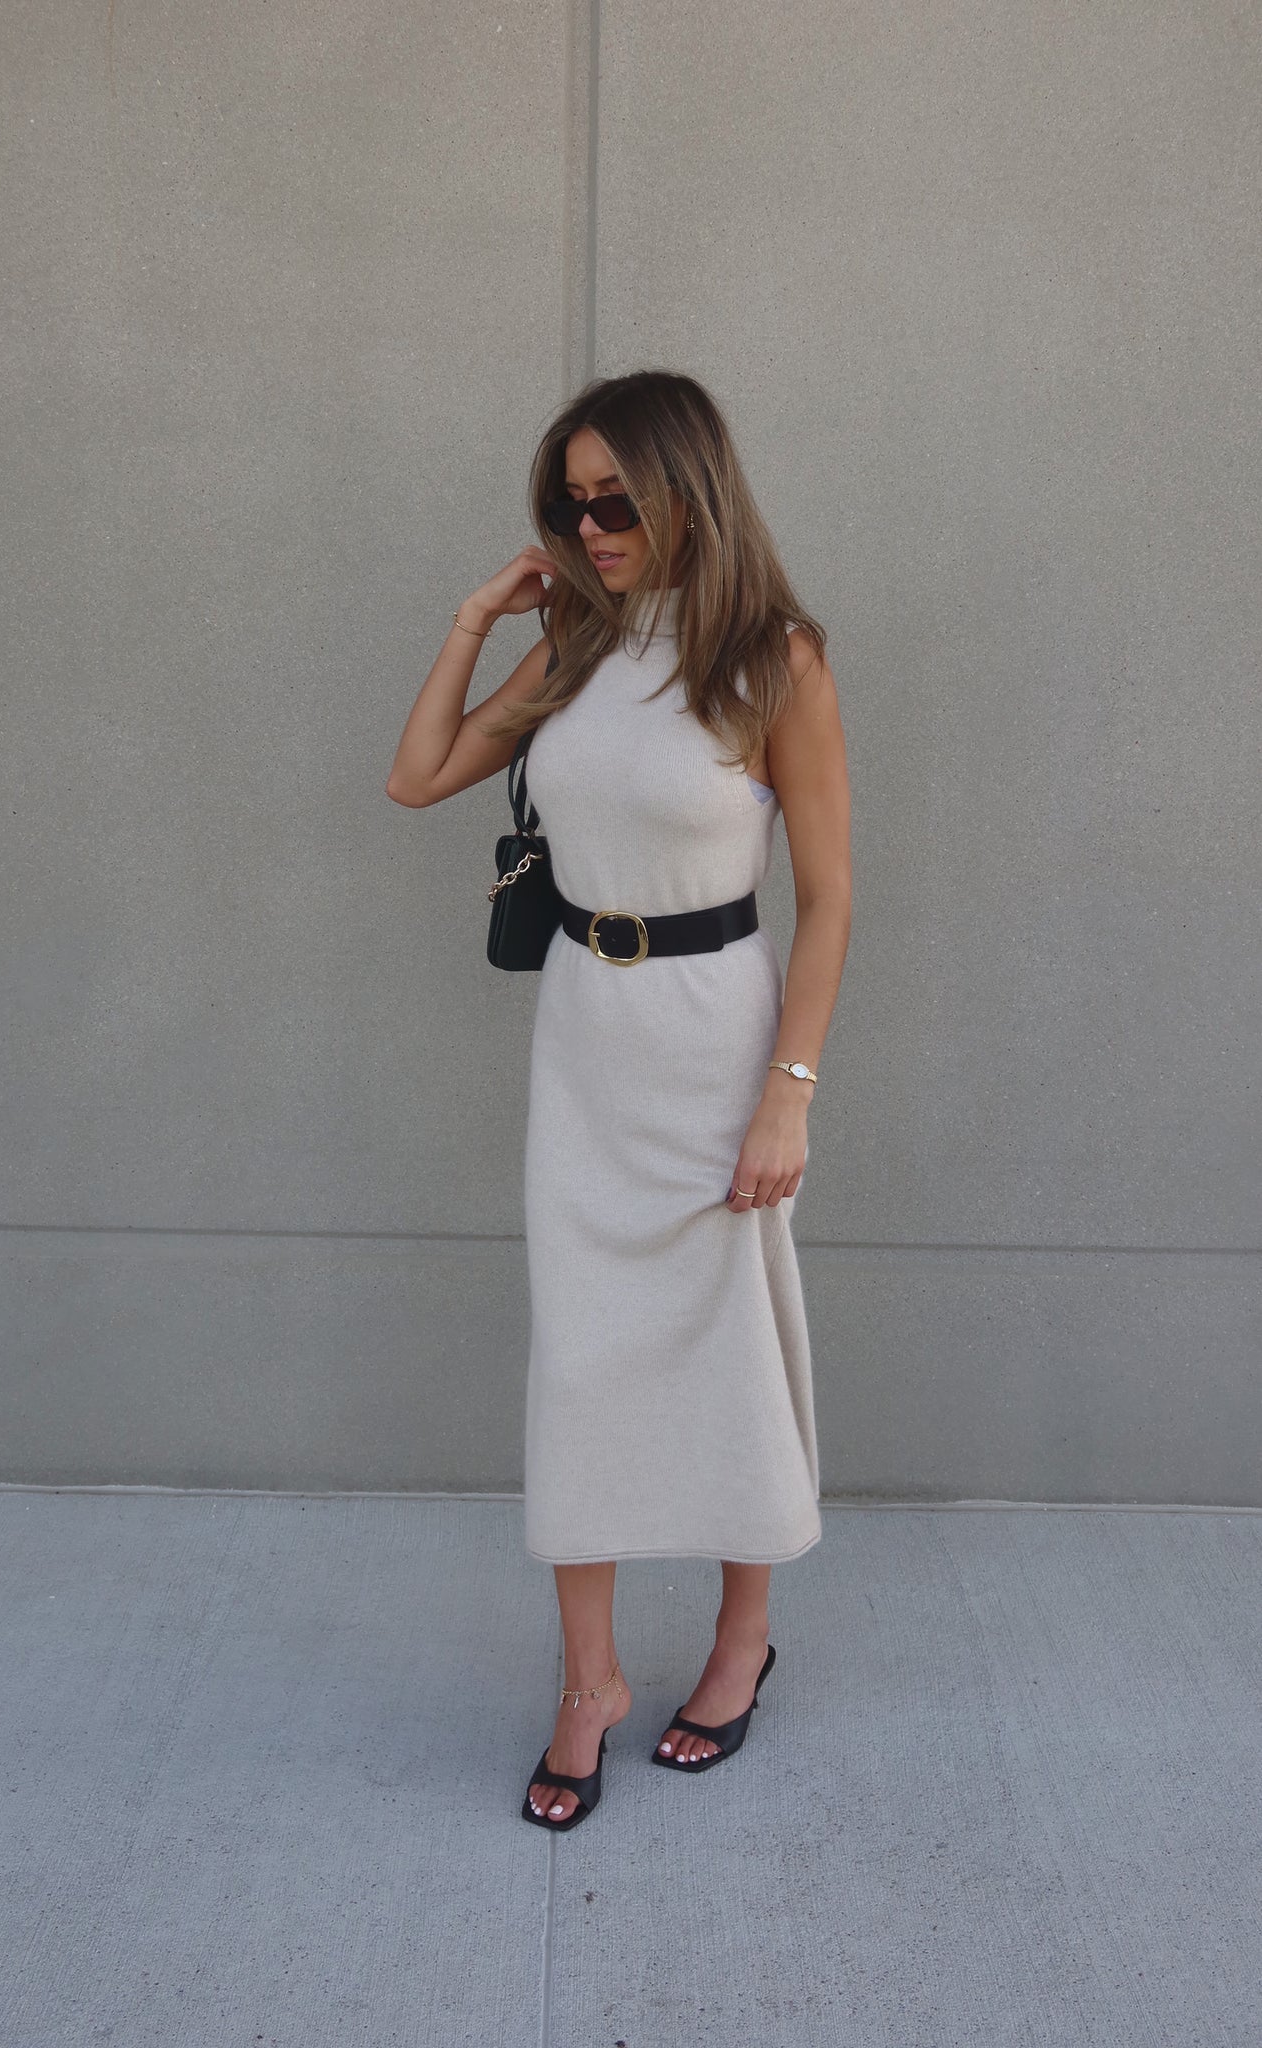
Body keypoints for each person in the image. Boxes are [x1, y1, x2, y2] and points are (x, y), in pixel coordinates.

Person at [386, 368, 851, 1830]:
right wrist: (476, 619)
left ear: (686, 492)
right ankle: (587, 1682)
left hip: (718, 1039)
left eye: (615, 501)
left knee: (729, 1340)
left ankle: (739, 1640)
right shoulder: (577, 646)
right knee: (581, 1358)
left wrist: (787, 1094)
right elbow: (418, 778)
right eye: (569, 502)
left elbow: (831, 898)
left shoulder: (773, 662)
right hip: (586, 1034)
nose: (590, 528)